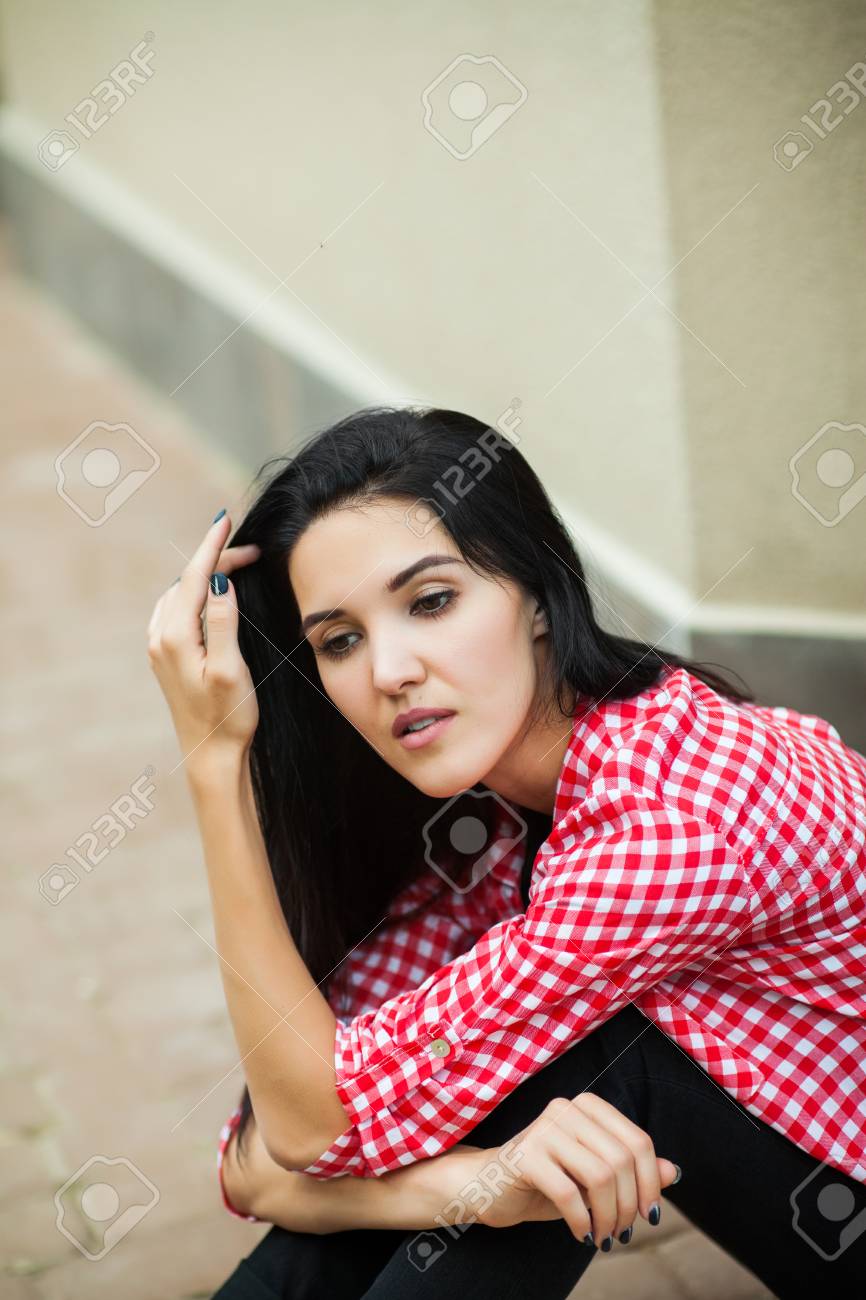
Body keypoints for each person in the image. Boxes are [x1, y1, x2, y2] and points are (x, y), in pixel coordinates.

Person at [146, 406, 866, 1298]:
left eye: (432, 601)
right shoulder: (495, 811)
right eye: (340, 641)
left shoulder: (667, 827)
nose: (389, 672)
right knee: (500, 1085)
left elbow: (308, 1133)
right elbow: (267, 1153)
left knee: (584, 1066)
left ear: (533, 591)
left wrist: (215, 763)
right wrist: (468, 1189)